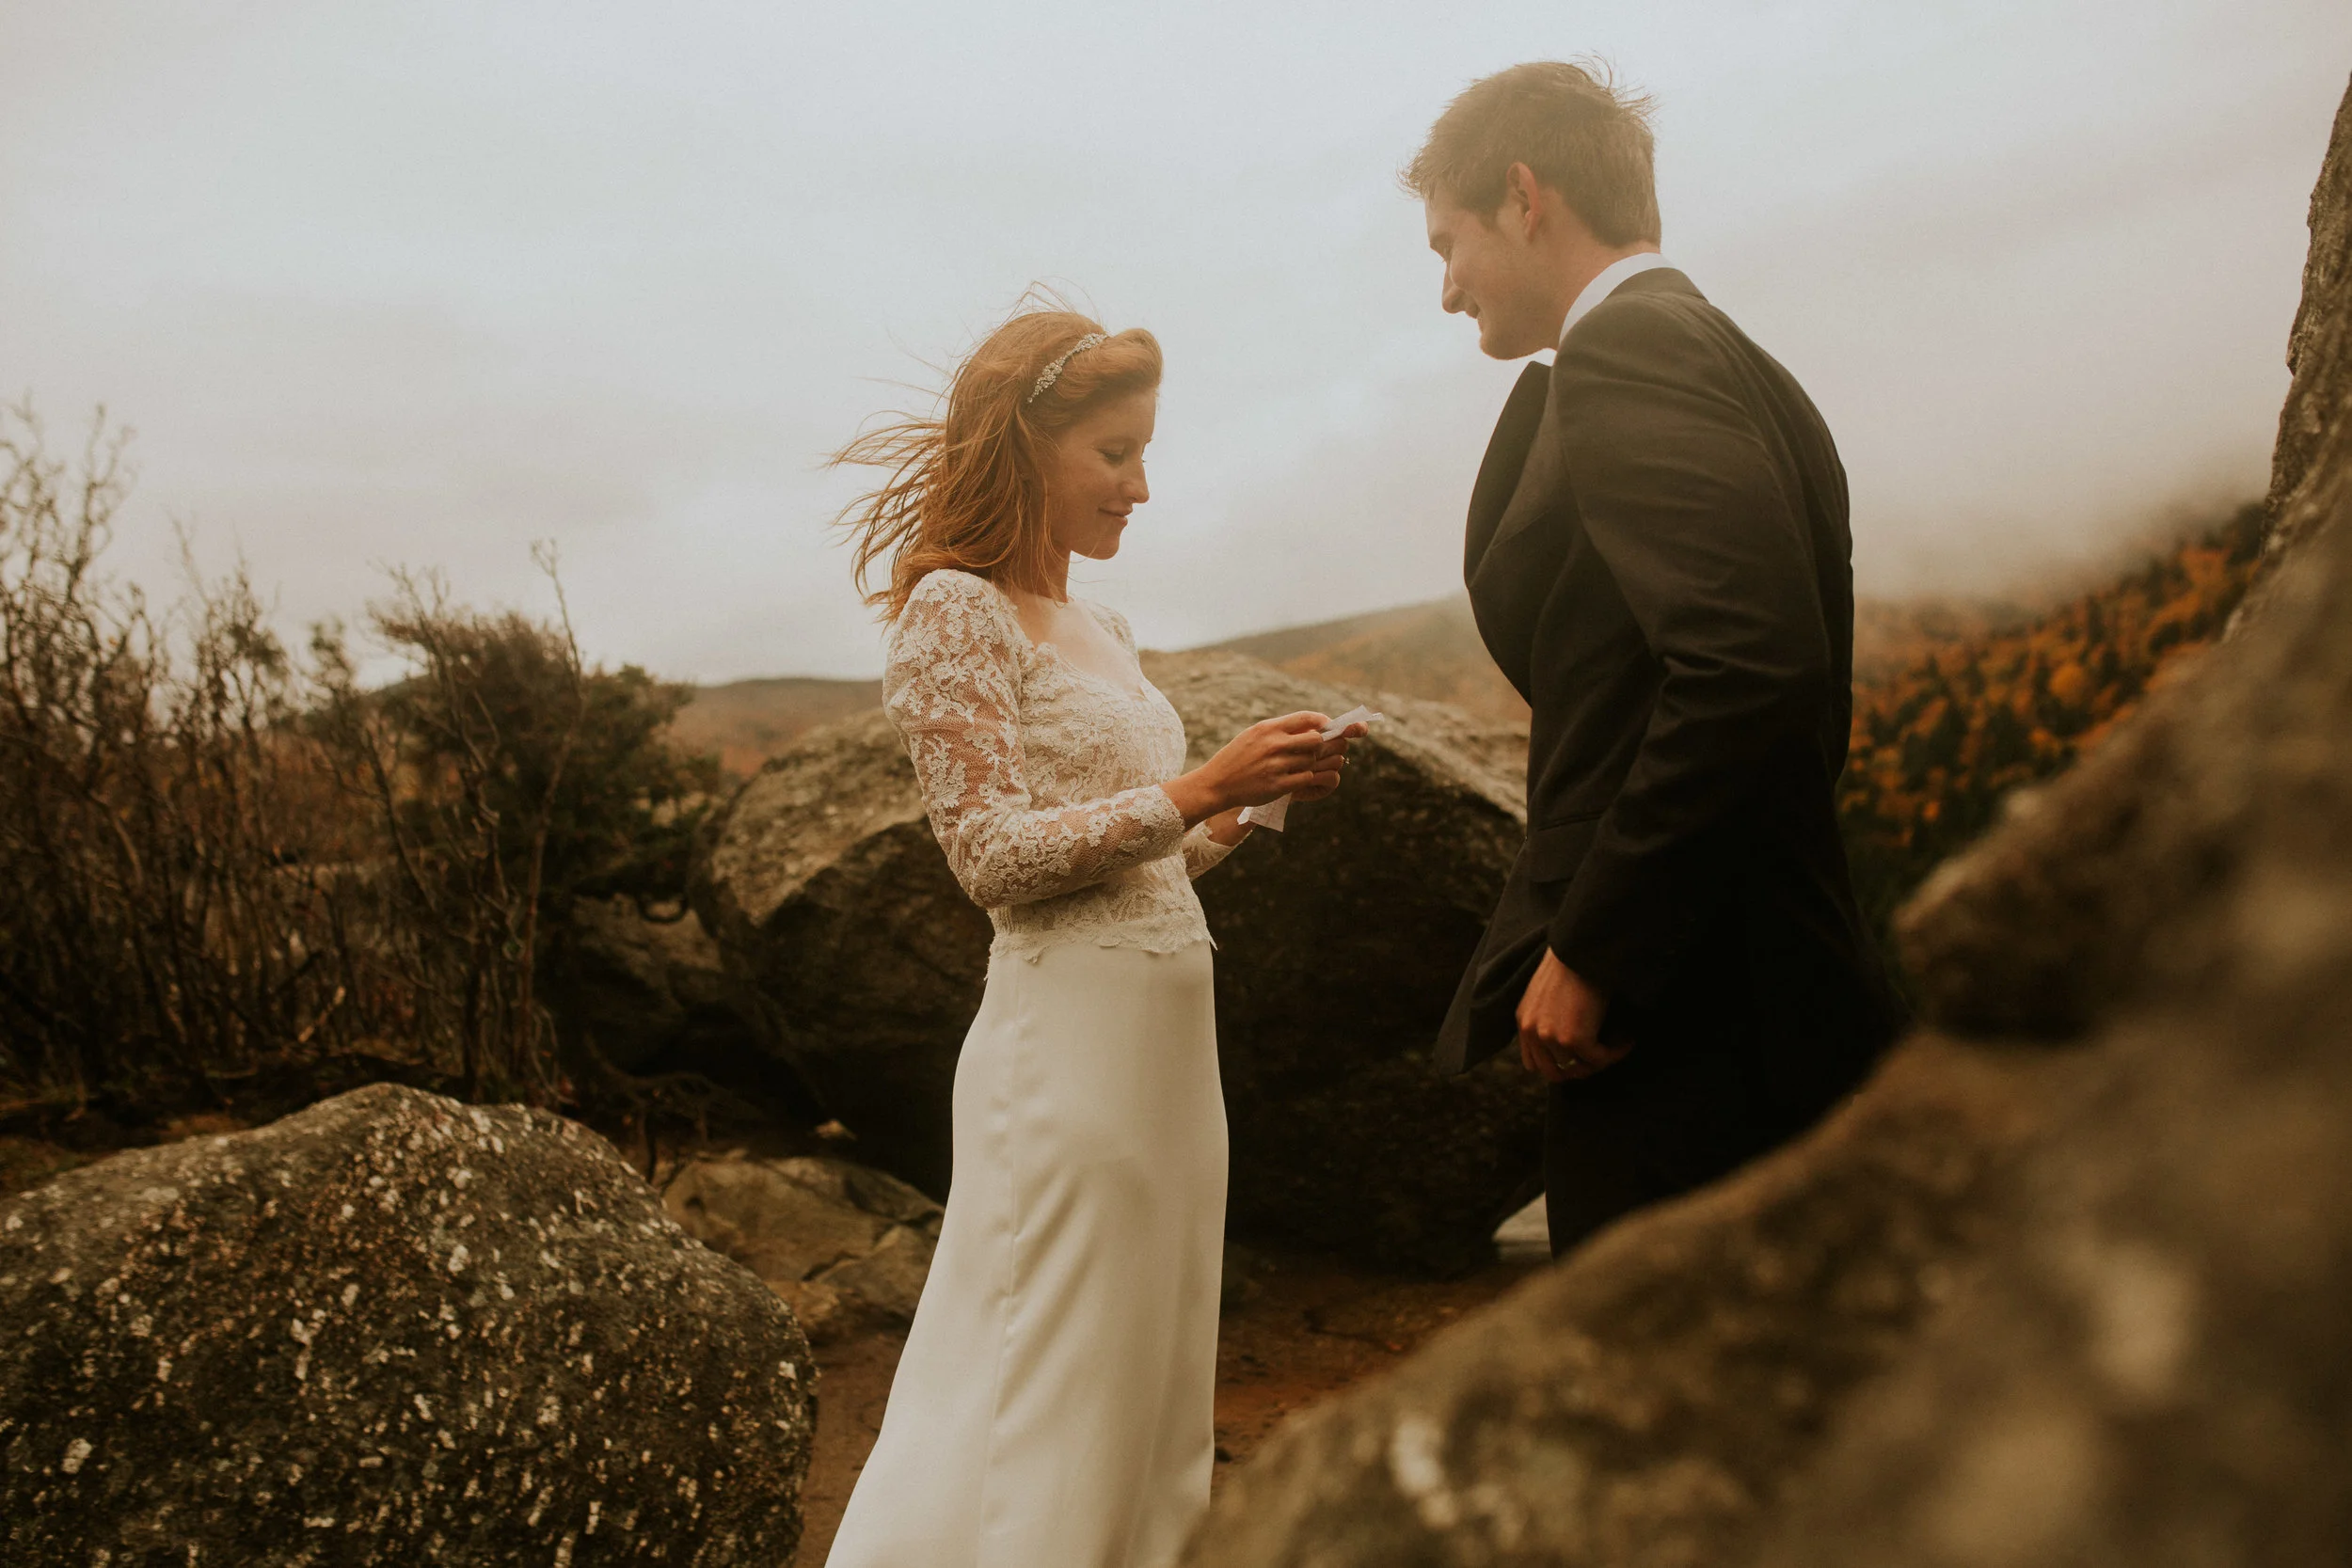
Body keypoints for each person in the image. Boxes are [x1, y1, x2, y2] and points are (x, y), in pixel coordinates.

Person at [822, 307, 1361, 1568]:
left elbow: (1140, 873)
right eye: (1115, 453)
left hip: (1167, 1047)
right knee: (1049, 1370)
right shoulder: (956, 611)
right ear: (1027, 448)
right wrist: (1192, 783)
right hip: (1063, 1052)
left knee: (1148, 1360)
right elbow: (991, 858)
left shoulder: (1104, 631)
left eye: (1146, 451)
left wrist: (1249, 795)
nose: (1142, 486)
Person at [1417, 63, 1906, 1258]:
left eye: (1449, 243)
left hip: (1694, 1012)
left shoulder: (1635, 352)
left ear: (1524, 196)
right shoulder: (1722, 353)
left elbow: (1748, 665)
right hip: (1737, 983)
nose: (1445, 291)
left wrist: (1596, 945)